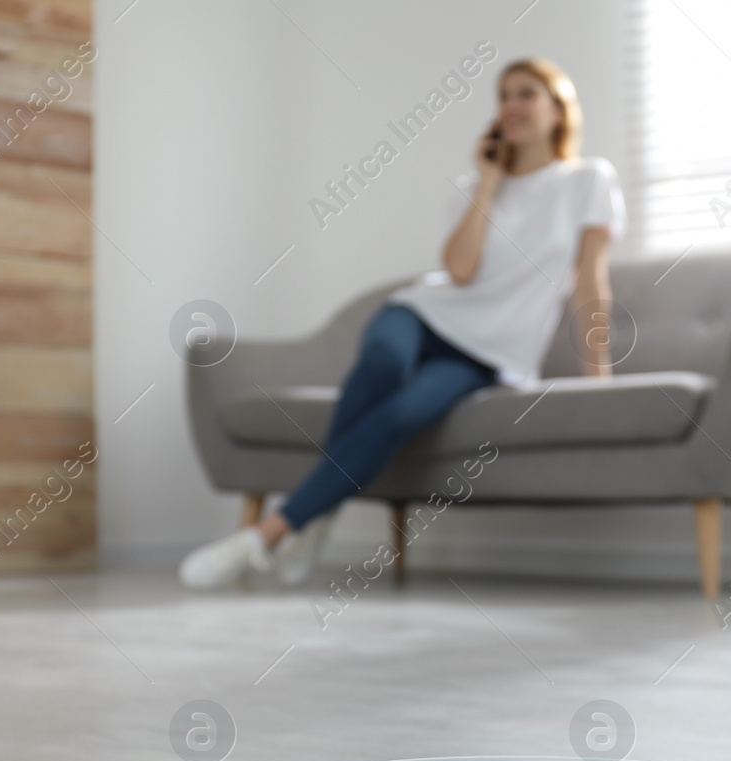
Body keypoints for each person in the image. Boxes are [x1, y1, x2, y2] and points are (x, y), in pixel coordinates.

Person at [180, 56, 626, 590]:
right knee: (382, 365)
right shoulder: (473, 185)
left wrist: (599, 380)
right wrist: (487, 180)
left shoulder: (587, 180)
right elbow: (458, 271)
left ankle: (269, 533)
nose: (511, 105)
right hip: (422, 314)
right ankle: (313, 514)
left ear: (558, 109)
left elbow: (590, 285)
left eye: (527, 93)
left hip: (487, 356)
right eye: (503, 95)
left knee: (399, 416)